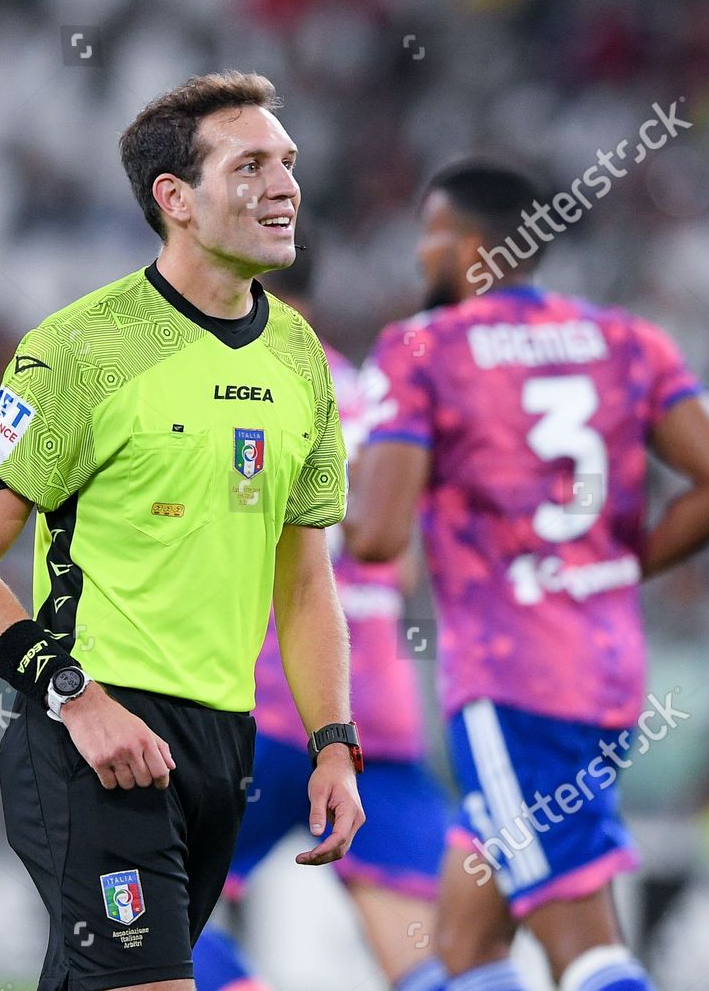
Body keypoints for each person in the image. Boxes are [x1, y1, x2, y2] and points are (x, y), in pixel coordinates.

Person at [0, 71, 365, 991]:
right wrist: (76, 697)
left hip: (223, 747)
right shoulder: (79, 349)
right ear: (177, 200)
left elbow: (305, 582)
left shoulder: (299, 358)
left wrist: (333, 741)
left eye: (287, 162)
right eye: (251, 165)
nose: (285, 185)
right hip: (93, 739)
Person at [344, 162, 709, 991]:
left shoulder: (423, 349)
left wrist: (311, 491)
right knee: (462, 954)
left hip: (513, 684)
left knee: (587, 951)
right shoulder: (625, 339)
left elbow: (379, 535)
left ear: (465, 246)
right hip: (605, 669)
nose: (419, 254)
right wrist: (609, 566)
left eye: (428, 235)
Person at [193, 253, 451, 991]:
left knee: (141, 906)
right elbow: (399, 563)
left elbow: (232, 542)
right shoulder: (371, 392)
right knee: (418, 950)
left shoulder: (239, 385)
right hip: (381, 710)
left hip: (273, 701)